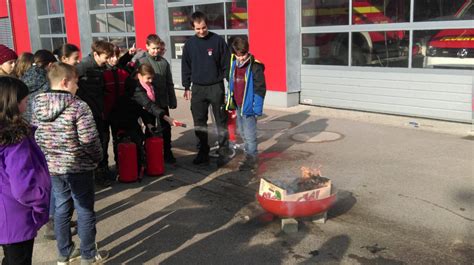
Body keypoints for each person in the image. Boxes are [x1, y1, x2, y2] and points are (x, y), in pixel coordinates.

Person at [32, 62, 108, 265]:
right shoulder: (78, 106)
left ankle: (64, 253)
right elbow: (89, 140)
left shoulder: (38, 104)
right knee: (84, 210)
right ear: (65, 82)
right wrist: (97, 158)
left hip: (54, 167)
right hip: (78, 166)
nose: (78, 85)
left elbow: (35, 135)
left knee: (62, 208)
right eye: (76, 81)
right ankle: (88, 255)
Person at [0, 76, 51, 265]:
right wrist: (39, 205)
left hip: (5, 211)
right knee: (19, 260)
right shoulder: (14, 139)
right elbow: (23, 186)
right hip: (16, 215)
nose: (27, 103)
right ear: (13, 103)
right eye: (25, 100)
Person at [181, 11, 231, 166]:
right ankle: (203, 152)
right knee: (199, 122)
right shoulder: (189, 45)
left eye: (203, 27)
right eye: (197, 29)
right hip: (198, 89)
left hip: (216, 87)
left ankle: (223, 152)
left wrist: (230, 85)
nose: (201, 31)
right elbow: (186, 66)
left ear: (207, 25)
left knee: (221, 121)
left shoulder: (217, 41)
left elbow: (226, 63)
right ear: (193, 28)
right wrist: (186, 86)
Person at [76, 40, 114, 187]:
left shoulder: (101, 67)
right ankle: (96, 174)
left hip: (100, 111)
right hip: (89, 113)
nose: (108, 60)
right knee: (96, 143)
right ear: (96, 54)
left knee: (104, 140)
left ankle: (103, 169)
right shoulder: (83, 67)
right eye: (106, 57)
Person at [226, 37, 266, 171]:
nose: (241, 58)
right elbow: (231, 83)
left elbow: (260, 88)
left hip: (248, 107)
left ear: (247, 51)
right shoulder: (233, 63)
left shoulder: (255, 66)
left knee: (250, 135)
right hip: (238, 105)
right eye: (238, 55)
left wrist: (257, 108)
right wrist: (229, 99)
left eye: (243, 55)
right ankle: (248, 156)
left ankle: (252, 159)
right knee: (242, 132)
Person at [136, 34, 178, 164]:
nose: (156, 51)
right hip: (147, 103)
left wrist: (172, 99)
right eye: (153, 48)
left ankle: (167, 152)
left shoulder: (164, 63)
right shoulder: (142, 62)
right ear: (147, 47)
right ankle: (149, 154)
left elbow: (169, 82)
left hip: (162, 101)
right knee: (150, 128)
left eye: (158, 48)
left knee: (166, 128)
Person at [133, 64, 182, 139]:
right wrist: (168, 118)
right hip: (136, 117)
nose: (151, 80)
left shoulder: (151, 86)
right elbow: (148, 104)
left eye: (152, 78)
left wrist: (149, 124)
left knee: (151, 134)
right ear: (139, 76)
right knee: (138, 138)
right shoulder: (136, 88)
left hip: (148, 115)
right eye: (148, 78)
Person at [21, 49, 57, 123]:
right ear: (50, 65)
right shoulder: (48, 82)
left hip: (24, 123)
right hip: (43, 125)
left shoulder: (23, 77)